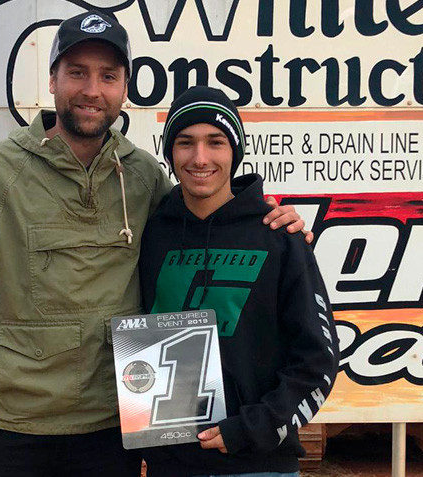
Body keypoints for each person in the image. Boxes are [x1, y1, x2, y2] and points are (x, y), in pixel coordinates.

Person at [0, 12, 309, 477]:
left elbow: (205, 223)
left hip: (114, 430)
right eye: (77, 72)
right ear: (53, 79)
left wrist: (269, 219)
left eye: (108, 76)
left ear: (125, 87)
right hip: (13, 428)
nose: (92, 90)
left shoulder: (144, 176)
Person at [139, 86, 339, 477]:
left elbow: (317, 360)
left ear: (235, 151)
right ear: (170, 153)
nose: (200, 158)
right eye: (185, 143)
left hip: (258, 464)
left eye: (215, 142)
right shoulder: (151, 235)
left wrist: (252, 428)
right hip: (173, 465)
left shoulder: (279, 236)